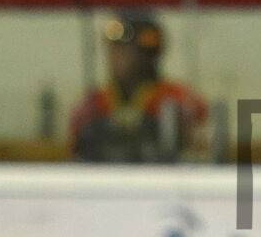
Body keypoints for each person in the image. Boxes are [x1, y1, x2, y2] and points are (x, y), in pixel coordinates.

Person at [69, 11, 208, 162]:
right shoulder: (92, 104)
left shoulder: (177, 98)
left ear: (147, 54)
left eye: (124, 49)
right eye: (112, 48)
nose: (114, 57)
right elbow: (75, 155)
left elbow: (198, 149)